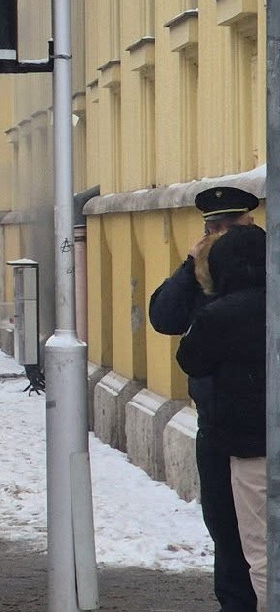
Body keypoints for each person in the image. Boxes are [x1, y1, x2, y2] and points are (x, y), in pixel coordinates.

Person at [151, 184, 264, 612]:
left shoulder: (262, 263)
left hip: (258, 425)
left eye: (227, 226)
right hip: (216, 422)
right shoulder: (202, 274)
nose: (219, 235)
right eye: (212, 228)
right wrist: (191, 264)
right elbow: (164, 317)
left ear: (248, 223)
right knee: (225, 526)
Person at [174, 224, 269, 612]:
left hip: (246, 446)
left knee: (258, 547)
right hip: (252, 439)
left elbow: (190, 358)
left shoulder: (219, 314)